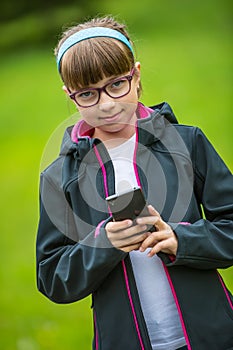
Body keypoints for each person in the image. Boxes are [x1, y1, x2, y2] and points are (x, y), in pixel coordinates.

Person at [36, 15, 233, 350]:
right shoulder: (59, 176)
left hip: (215, 335)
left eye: (116, 84)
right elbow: (53, 278)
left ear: (136, 74)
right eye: (88, 94)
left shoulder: (187, 144)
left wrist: (179, 238)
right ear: (69, 95)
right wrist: (103, 244)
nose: (107, 104)